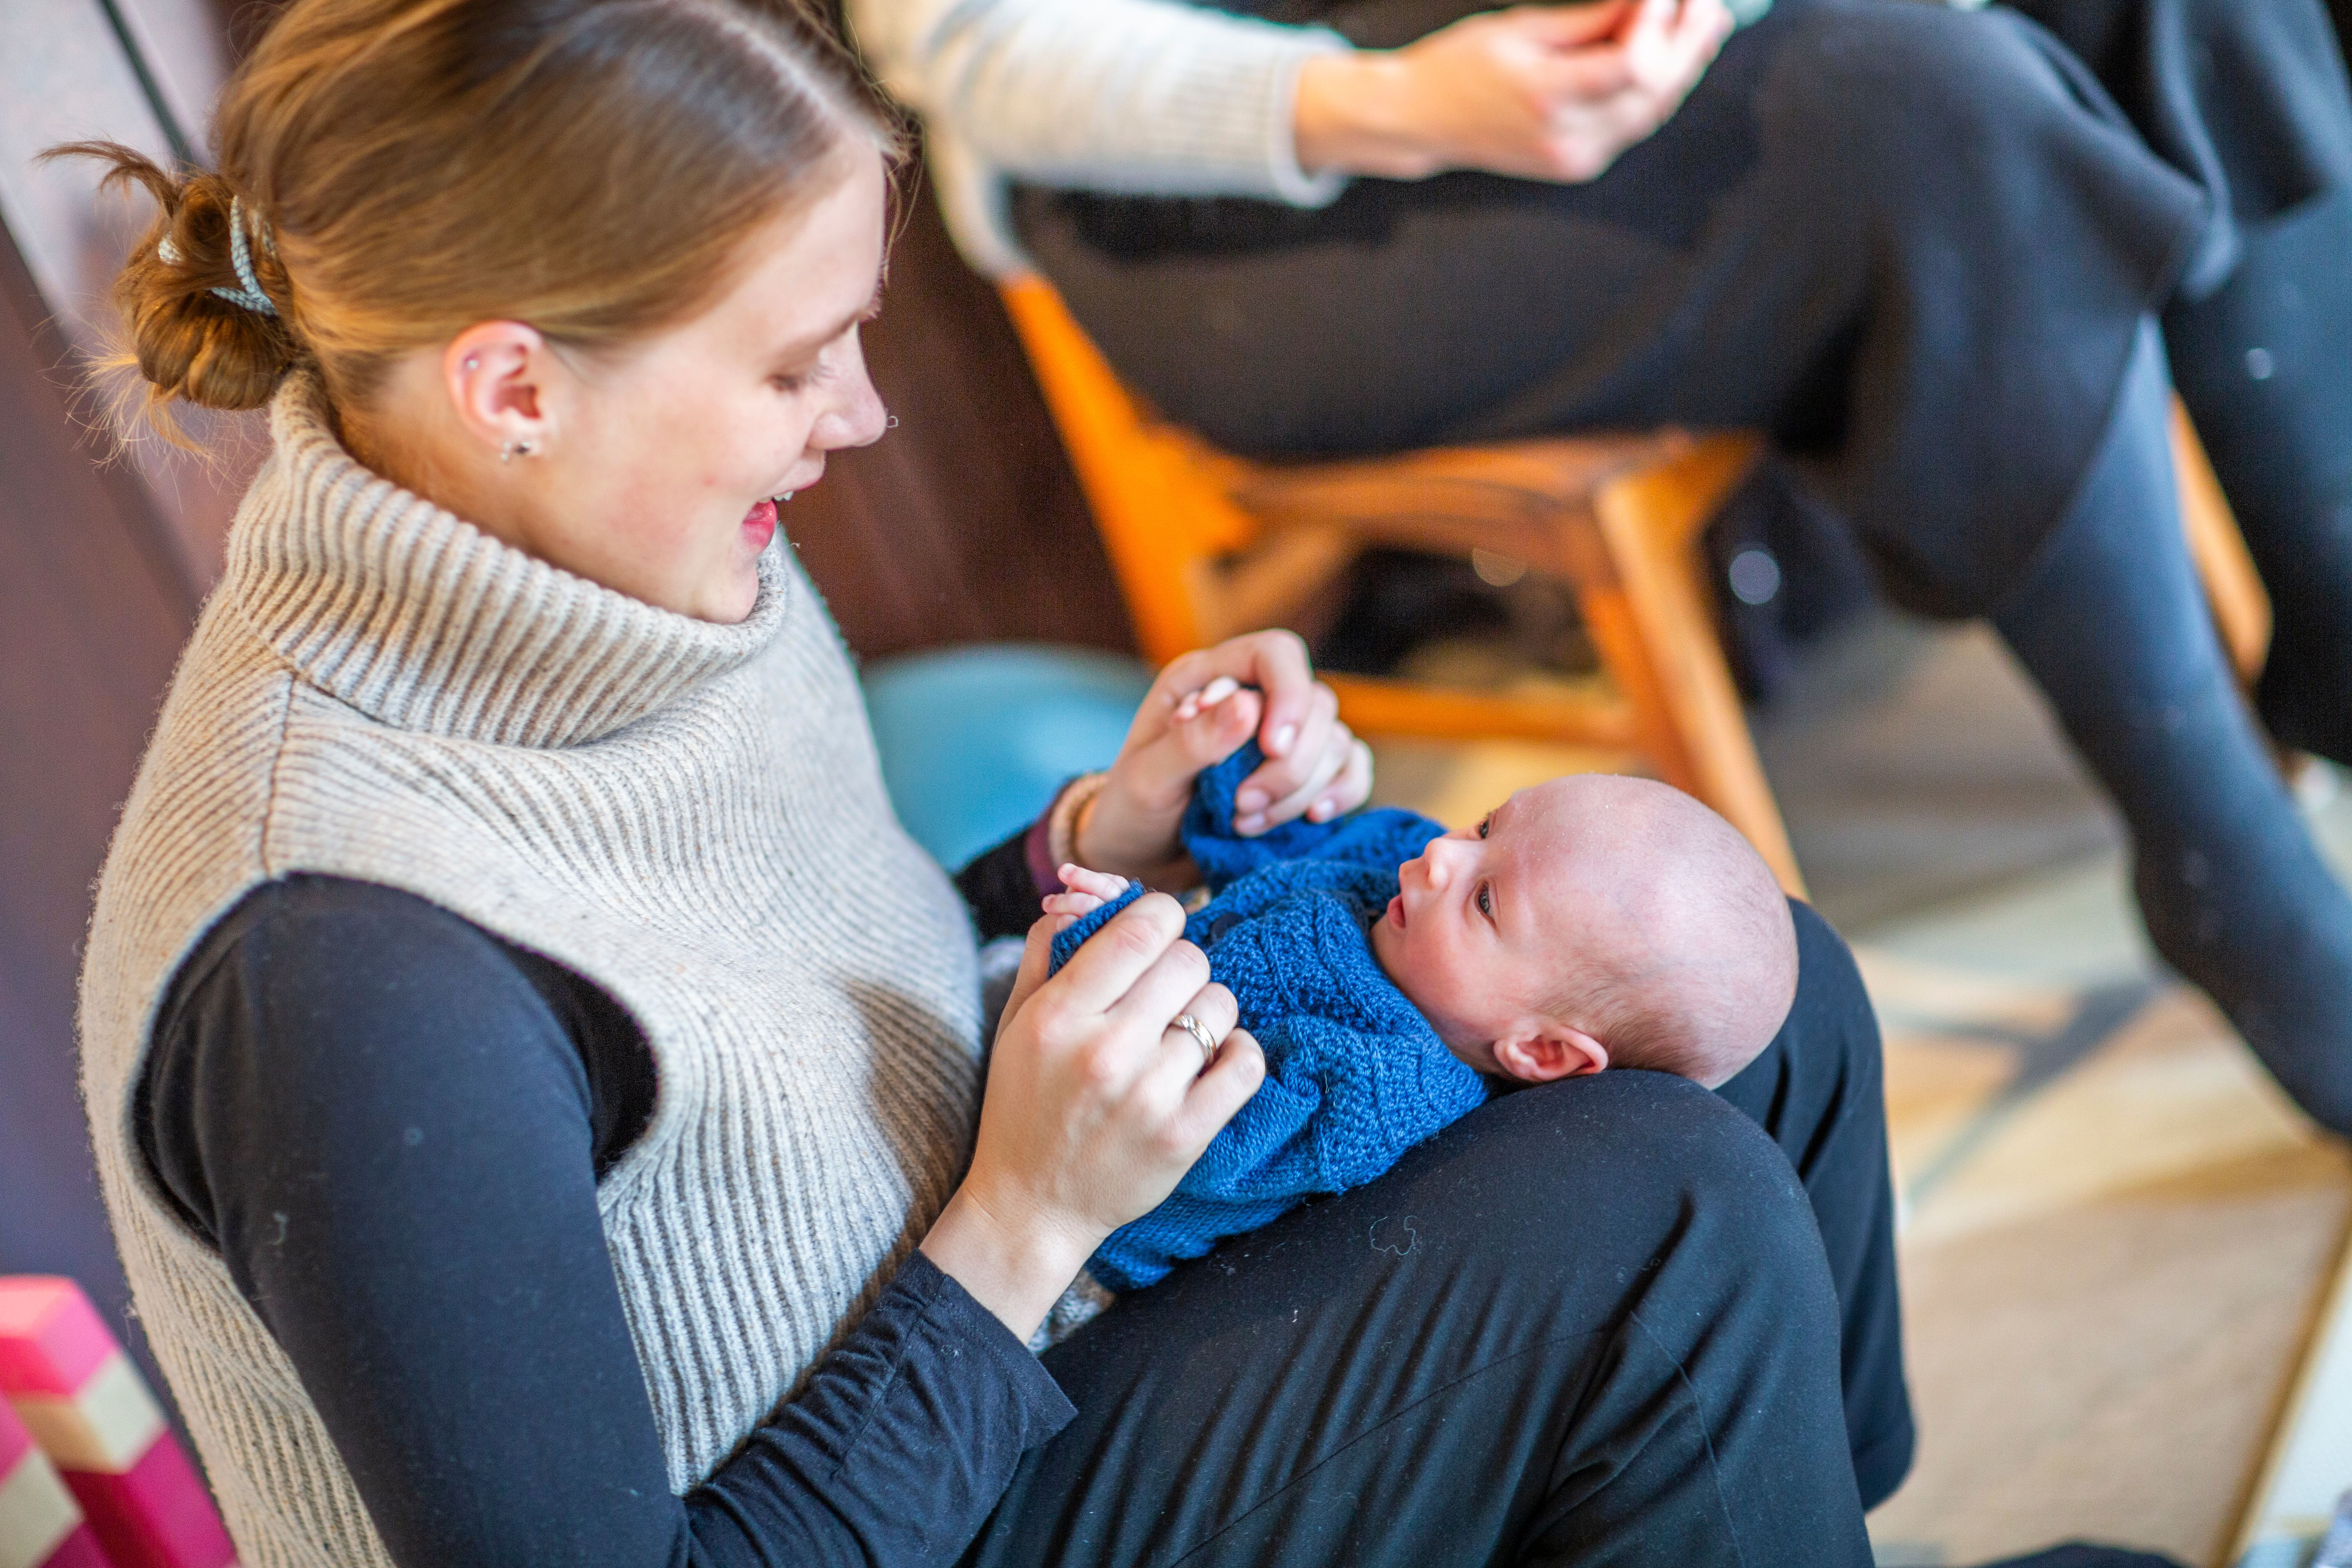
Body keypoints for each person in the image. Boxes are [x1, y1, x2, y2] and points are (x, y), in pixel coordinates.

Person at [56, 2, 1956, 1563]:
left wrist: (1101, 834)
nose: (862, 414)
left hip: (986, 1329)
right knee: (1664, 1206)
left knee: (1770, 1002)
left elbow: (767, 1030)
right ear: (514, 386)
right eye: (802, 363)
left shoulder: (606, 546)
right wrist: (1023, 1223)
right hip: (911, 1461)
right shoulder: (338, 970)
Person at [849, 0, 2352, 1137]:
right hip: (1238, 170)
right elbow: (981, 45)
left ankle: (2339, 610)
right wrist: (1402, 103)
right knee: (1926, 114)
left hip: (1569, 39)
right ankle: (2228, 861)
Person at [1041, 702, 1797, 1295]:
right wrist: (1244, 777)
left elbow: (1204, 1143)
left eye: (1488, 902)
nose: (1442, 855)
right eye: (1488, 823)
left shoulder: (1388, 1086)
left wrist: (1115, 946)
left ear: (1539, 1051)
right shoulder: (1400, 870)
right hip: (1072, 1042)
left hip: (1083, 1235)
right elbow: (1270, 850)